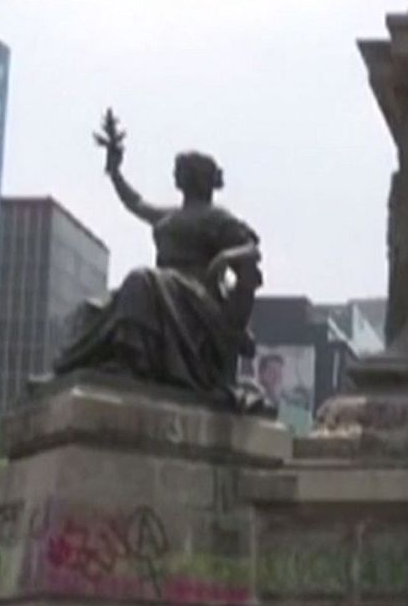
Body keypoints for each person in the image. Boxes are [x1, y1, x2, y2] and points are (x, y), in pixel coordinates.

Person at [55, 110, 267, 413]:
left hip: (195, 297)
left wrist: (222, 258)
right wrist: (115, 171)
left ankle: (136, 360)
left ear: (196, 178)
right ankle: (105, 364)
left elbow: (252, 249)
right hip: (165, 291)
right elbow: (135, 203)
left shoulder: (216, 217)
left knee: (141, 280)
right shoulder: (170, 215)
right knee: (93, 309)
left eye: (181, 171)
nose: (175, 175)